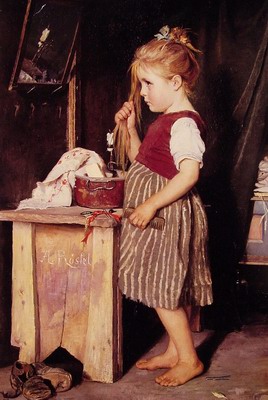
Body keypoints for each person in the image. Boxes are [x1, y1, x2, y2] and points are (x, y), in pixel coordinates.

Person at [114, 25, 213, 387]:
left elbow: (188, 175)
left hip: (166, 216)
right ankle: (175, 350)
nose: (142, 92)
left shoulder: (184, 124)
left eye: (148, 84)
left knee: (163, 287)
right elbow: (143, 159)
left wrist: (150, 205)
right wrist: (129, 128)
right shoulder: (166, 120)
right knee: (171, 285)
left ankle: (189, 359)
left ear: (175, 82)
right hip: (160, 213)